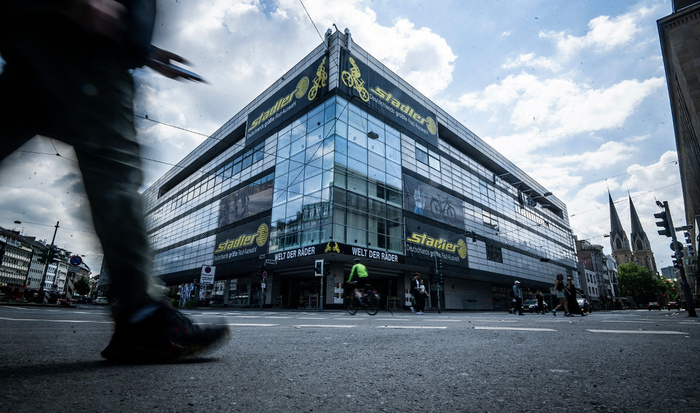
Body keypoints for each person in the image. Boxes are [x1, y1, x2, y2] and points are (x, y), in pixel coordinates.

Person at [0, 0, 230, 362]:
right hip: (86, 53)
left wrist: (143, 49)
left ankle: (143, 317)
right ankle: (143, 317)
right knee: (117, 180)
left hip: (53, 40)